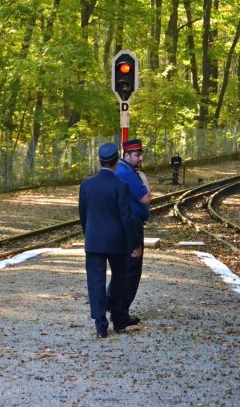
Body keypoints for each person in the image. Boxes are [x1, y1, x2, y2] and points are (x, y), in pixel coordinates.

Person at [79, 143, 142, 338]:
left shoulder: (86, 184)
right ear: (116, 162)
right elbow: (126, 217)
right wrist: (134, 245)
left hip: (94, 241)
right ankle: (119, 321)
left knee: (95, 282)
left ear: (100, 161)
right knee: (120, 280)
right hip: (117, 242)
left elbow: (83, 214)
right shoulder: (120, 186)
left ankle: (100, 326)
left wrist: (88, 234)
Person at [107, 139, 151, 325]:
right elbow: (146, 198)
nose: (140, 158)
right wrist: (144, 179)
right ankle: (121, 314)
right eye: (136, 155)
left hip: (124, 224)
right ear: (126, 155)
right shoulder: (129, 173)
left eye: (141, 154)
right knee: (132, 269)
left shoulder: (122, 170)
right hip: (131, 225)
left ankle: (111, 302)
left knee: (122, 268)